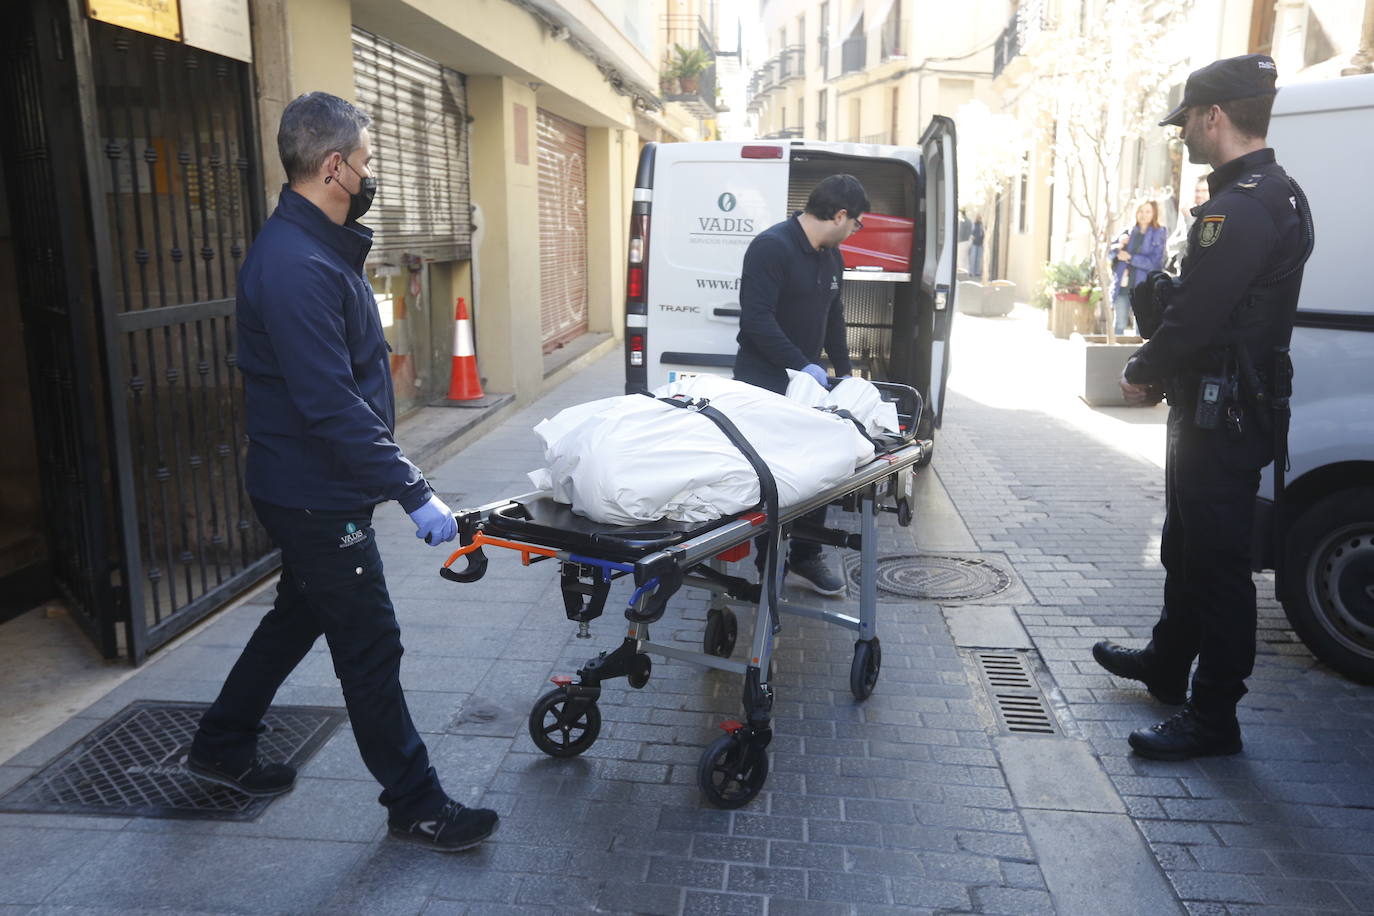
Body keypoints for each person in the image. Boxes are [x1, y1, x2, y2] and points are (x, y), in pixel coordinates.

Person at [186, 92, 499, 852]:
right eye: (366, 163)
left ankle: (221, 744)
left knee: (298, 614)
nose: (371, 175)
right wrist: (415, 491)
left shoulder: (320, 247)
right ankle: (415, 800)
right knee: (369, 642)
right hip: (314, 495)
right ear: (334, 168)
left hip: (311, 484)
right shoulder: (297, 265)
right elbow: (329, 405)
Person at [1094, 54, 1311, 761]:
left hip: (1225, 410)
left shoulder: (1241, 207)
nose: (1182, 130)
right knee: (1187, 545)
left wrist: (1142, 367)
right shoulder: (1273, 193)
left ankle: (1214, 716)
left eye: (1186, 117)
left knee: (1218, 563)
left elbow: (1198, 316)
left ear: (1215, 115)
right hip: (1218, 406)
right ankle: (1166, 663)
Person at [734, 174, 869, 596]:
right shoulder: (771, 247)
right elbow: (756, 321)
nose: (854, 231)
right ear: (840, 214)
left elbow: (834, 319)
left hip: (807, 388)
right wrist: (800, 365)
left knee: (819, 472)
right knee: (769, 477)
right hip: (764, 382)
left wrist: (844, 372)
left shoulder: (831, 258)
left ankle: (806, 557)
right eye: (856, 222)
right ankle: (767, 563)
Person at [1108, 201, 1167, 335]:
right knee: (1119, 324)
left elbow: (1155, 263)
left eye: (1148, 211)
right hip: (1122, 285)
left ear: (1154, 214)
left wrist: (1130, 258)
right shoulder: (1127, 231)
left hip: (1143, 286)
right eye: (1140, 211)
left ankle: (1138, 356)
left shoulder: (1159, 232)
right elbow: (1109, 254)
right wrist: (1118, 247)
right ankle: (1117, 355)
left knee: (1141, 328)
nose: (1143, 215)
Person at [1165, 175, 1211, 273]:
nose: (1199, 194)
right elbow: (1170, 244)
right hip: (1181, 271)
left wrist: (1189, 220)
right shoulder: (1190, 213)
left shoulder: (1213, 214)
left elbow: (1196, 243)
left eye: (1204, 191)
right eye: (1197, 191)